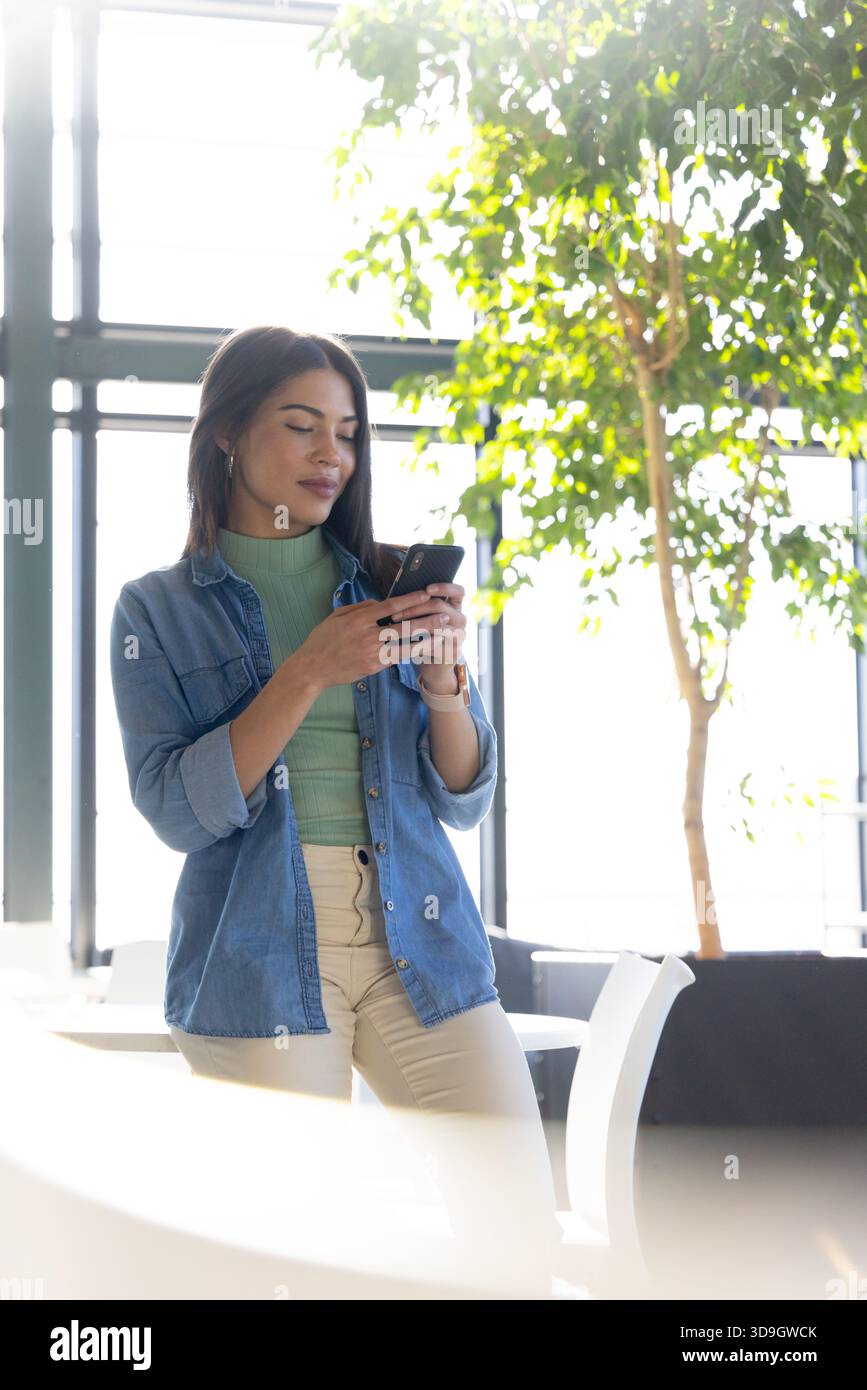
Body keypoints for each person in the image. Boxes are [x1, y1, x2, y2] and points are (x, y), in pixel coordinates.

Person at [109, 323, 563, 1296]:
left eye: (349, 433)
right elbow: (178, 812)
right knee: (308, 1262)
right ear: (228, 432)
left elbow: (466, 793)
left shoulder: (385, 582)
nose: (333, 455)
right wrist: (311, 668)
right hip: (259, 948)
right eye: (304, 425)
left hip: (423, 938)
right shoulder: (155, 611)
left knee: (519, 1229)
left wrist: (446, 686)